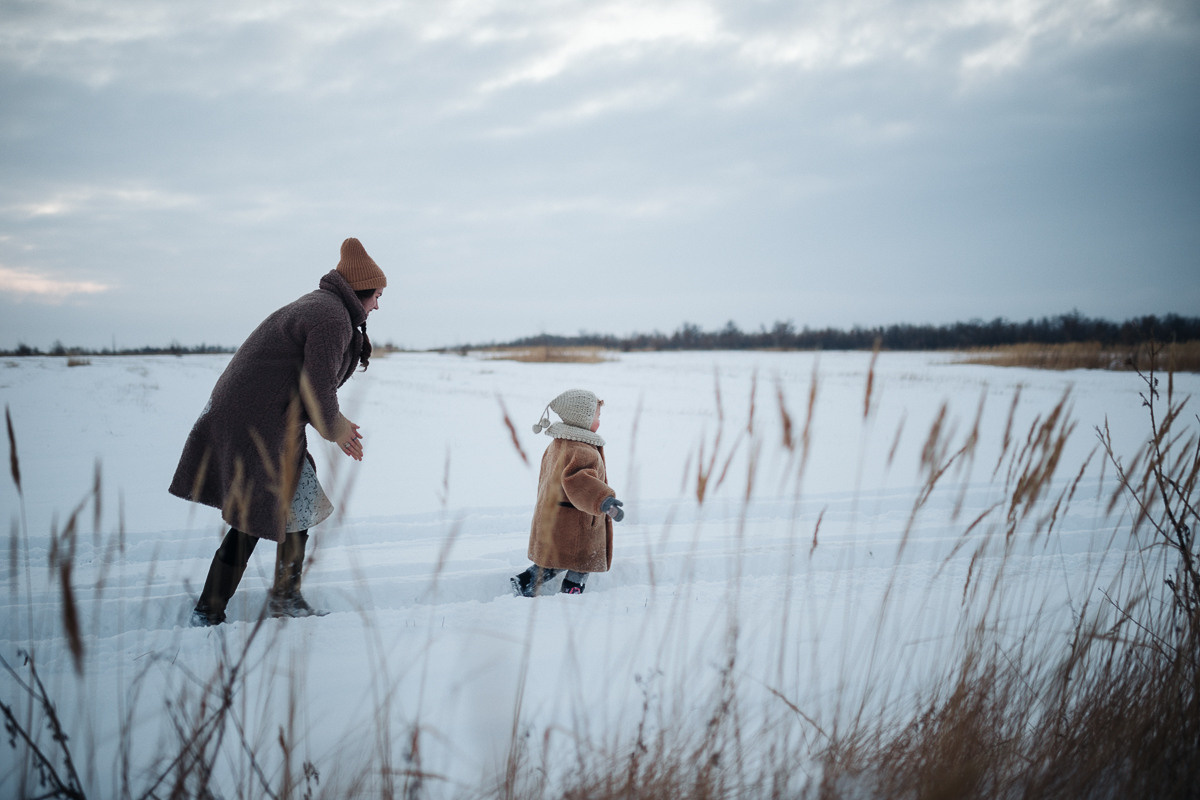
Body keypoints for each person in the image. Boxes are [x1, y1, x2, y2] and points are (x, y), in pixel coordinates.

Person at [170, 237, 387, 626]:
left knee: (298, 504)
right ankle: (209, 610)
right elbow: (317, 389)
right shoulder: (331, 317)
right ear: (361, 292)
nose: (377, 305)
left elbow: (308, 386)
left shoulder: (327, 308)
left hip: (268, 419)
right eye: (377, 296)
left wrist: (335, 426)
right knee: (255, 516)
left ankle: (286, 596)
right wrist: (337, 428)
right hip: (256, 424)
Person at [511, 389, 625, 597]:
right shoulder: (581, 450)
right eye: (597, 416)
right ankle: (572, 592)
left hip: (555, 516)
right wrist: (603, 500)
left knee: (554, 559)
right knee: (583, 560)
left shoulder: (559, 444)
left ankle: (525, 581)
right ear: (582, 419)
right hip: (577, 521)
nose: (599, 421)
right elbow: (579, 481)